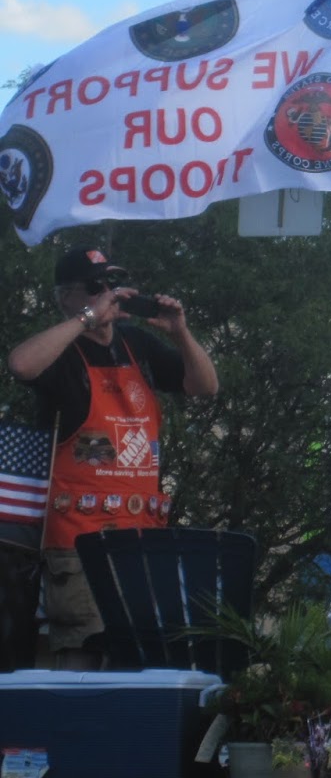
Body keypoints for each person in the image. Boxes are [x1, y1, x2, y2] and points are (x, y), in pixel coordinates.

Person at [5, 245, 218, 669]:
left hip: (140, 539)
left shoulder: (137, 343)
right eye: (94, 287)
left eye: (111, 284)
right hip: (79, 540)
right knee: (83, 654)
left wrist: (179, 332)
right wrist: (86, 319)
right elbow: (20, 364)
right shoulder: (61, 353)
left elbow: (205, 386)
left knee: (135, 656)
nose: (108, 293)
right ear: (67, 296)